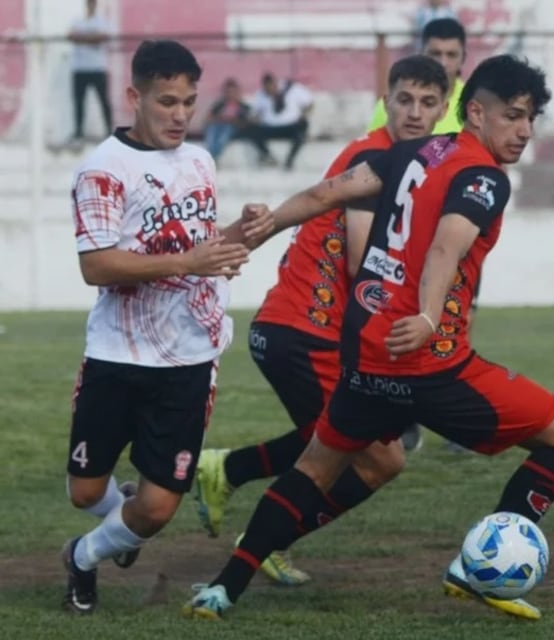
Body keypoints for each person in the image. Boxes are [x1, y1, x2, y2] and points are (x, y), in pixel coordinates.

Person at [183, 54, 554, 622]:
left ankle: (223, 588)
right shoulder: (483, 176)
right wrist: (428, 317)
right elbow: (447, 246)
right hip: (432, 363)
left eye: (531, 119)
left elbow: (327, 193)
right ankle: (478, 569)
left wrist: (263, 227)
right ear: (476, 112)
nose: (524, 130)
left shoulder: (408, 154)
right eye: (515, 116)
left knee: (316, 468)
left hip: (366, 356)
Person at [191, 54, 451, 586]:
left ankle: (229, 475)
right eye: (404, 100)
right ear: (388, 101)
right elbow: (362, 261)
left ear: (443, 109)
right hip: (302, 331)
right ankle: (261, 539)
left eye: (428, 103)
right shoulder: (375, 157)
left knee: (341, 446)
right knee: (378, 459)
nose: (415, 113)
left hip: (309, 333)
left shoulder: (413, 161)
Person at [62, 39, 273, 615]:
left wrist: (240, 230)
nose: (181, 115)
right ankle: (112, 522)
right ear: (135, 96)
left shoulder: (200, 161)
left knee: (155, 512)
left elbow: (203, 247)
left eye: (189, 102)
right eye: (167, 102)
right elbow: (96, 265)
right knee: (84, 491)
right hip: (115, 354)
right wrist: (190, 261)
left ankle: (82, 557)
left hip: (188, 358)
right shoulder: (104, 169)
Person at [369, 17, 470, 452]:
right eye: (436, 54)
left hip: (454, 233)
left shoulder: (471, 104)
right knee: (398, 321)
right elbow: (378, 161)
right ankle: (403, 417)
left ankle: (452, 421)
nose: (444, 63)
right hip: (403, 236)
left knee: (455, 322)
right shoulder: (397, 103)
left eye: (452, 56)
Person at [245, 72, 315, 170]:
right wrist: (253, 120)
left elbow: (310, 103)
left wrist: (303, 115)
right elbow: (255, 113)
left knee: (303, 126)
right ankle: (268, 156)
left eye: (271, 86)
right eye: (267, 88)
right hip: (270, 128)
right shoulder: (261, 94)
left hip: (291, 126)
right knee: (250, 130)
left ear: (275, 83)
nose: (269, 90)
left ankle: (289, 160)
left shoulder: (292, 89)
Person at [68, 0, 113, 143]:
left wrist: (82, 38)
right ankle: (78, 132)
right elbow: (71, 36)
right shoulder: (78, 20)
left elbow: (102, 37)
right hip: (80, 68)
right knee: (78, 102)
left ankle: (109, 129)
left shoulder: (102, 21)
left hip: (97, 67)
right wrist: (91, 37)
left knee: (103, 100)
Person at [203, 78, 251, 163]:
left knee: (223, 136)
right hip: (217, 126)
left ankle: (212, 157)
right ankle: (211, 157)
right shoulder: (219, 105)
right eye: (228, 92)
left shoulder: (243, 107)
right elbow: (208, 119)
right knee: (211, 134)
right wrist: (220, 118)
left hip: (232, 128)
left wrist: (232, 120)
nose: (230, 94)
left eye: (233, 92)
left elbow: (247, 122)